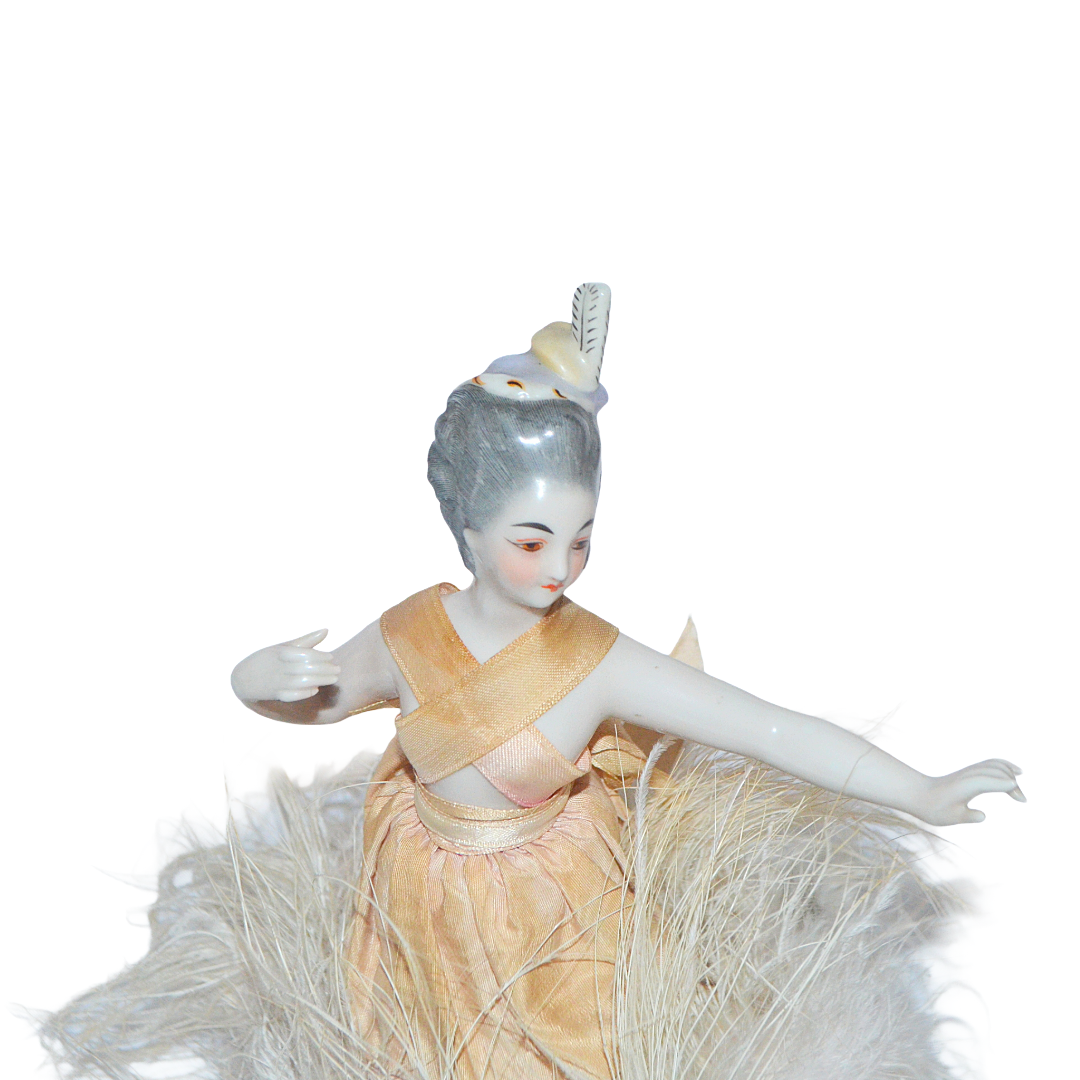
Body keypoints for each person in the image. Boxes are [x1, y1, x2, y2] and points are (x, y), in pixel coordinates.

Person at [41, 284, 1023, 1080]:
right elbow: (324, 695)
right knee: (413, 1044)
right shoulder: (411, 634)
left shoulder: (594, 659)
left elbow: (764, 727)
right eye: (532, 540)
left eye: (581, 538)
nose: (560, 567)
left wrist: (920, 790)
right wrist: (255, 678)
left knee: (573, 1050)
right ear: (468, 524)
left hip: (559, 913)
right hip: (419, 902)